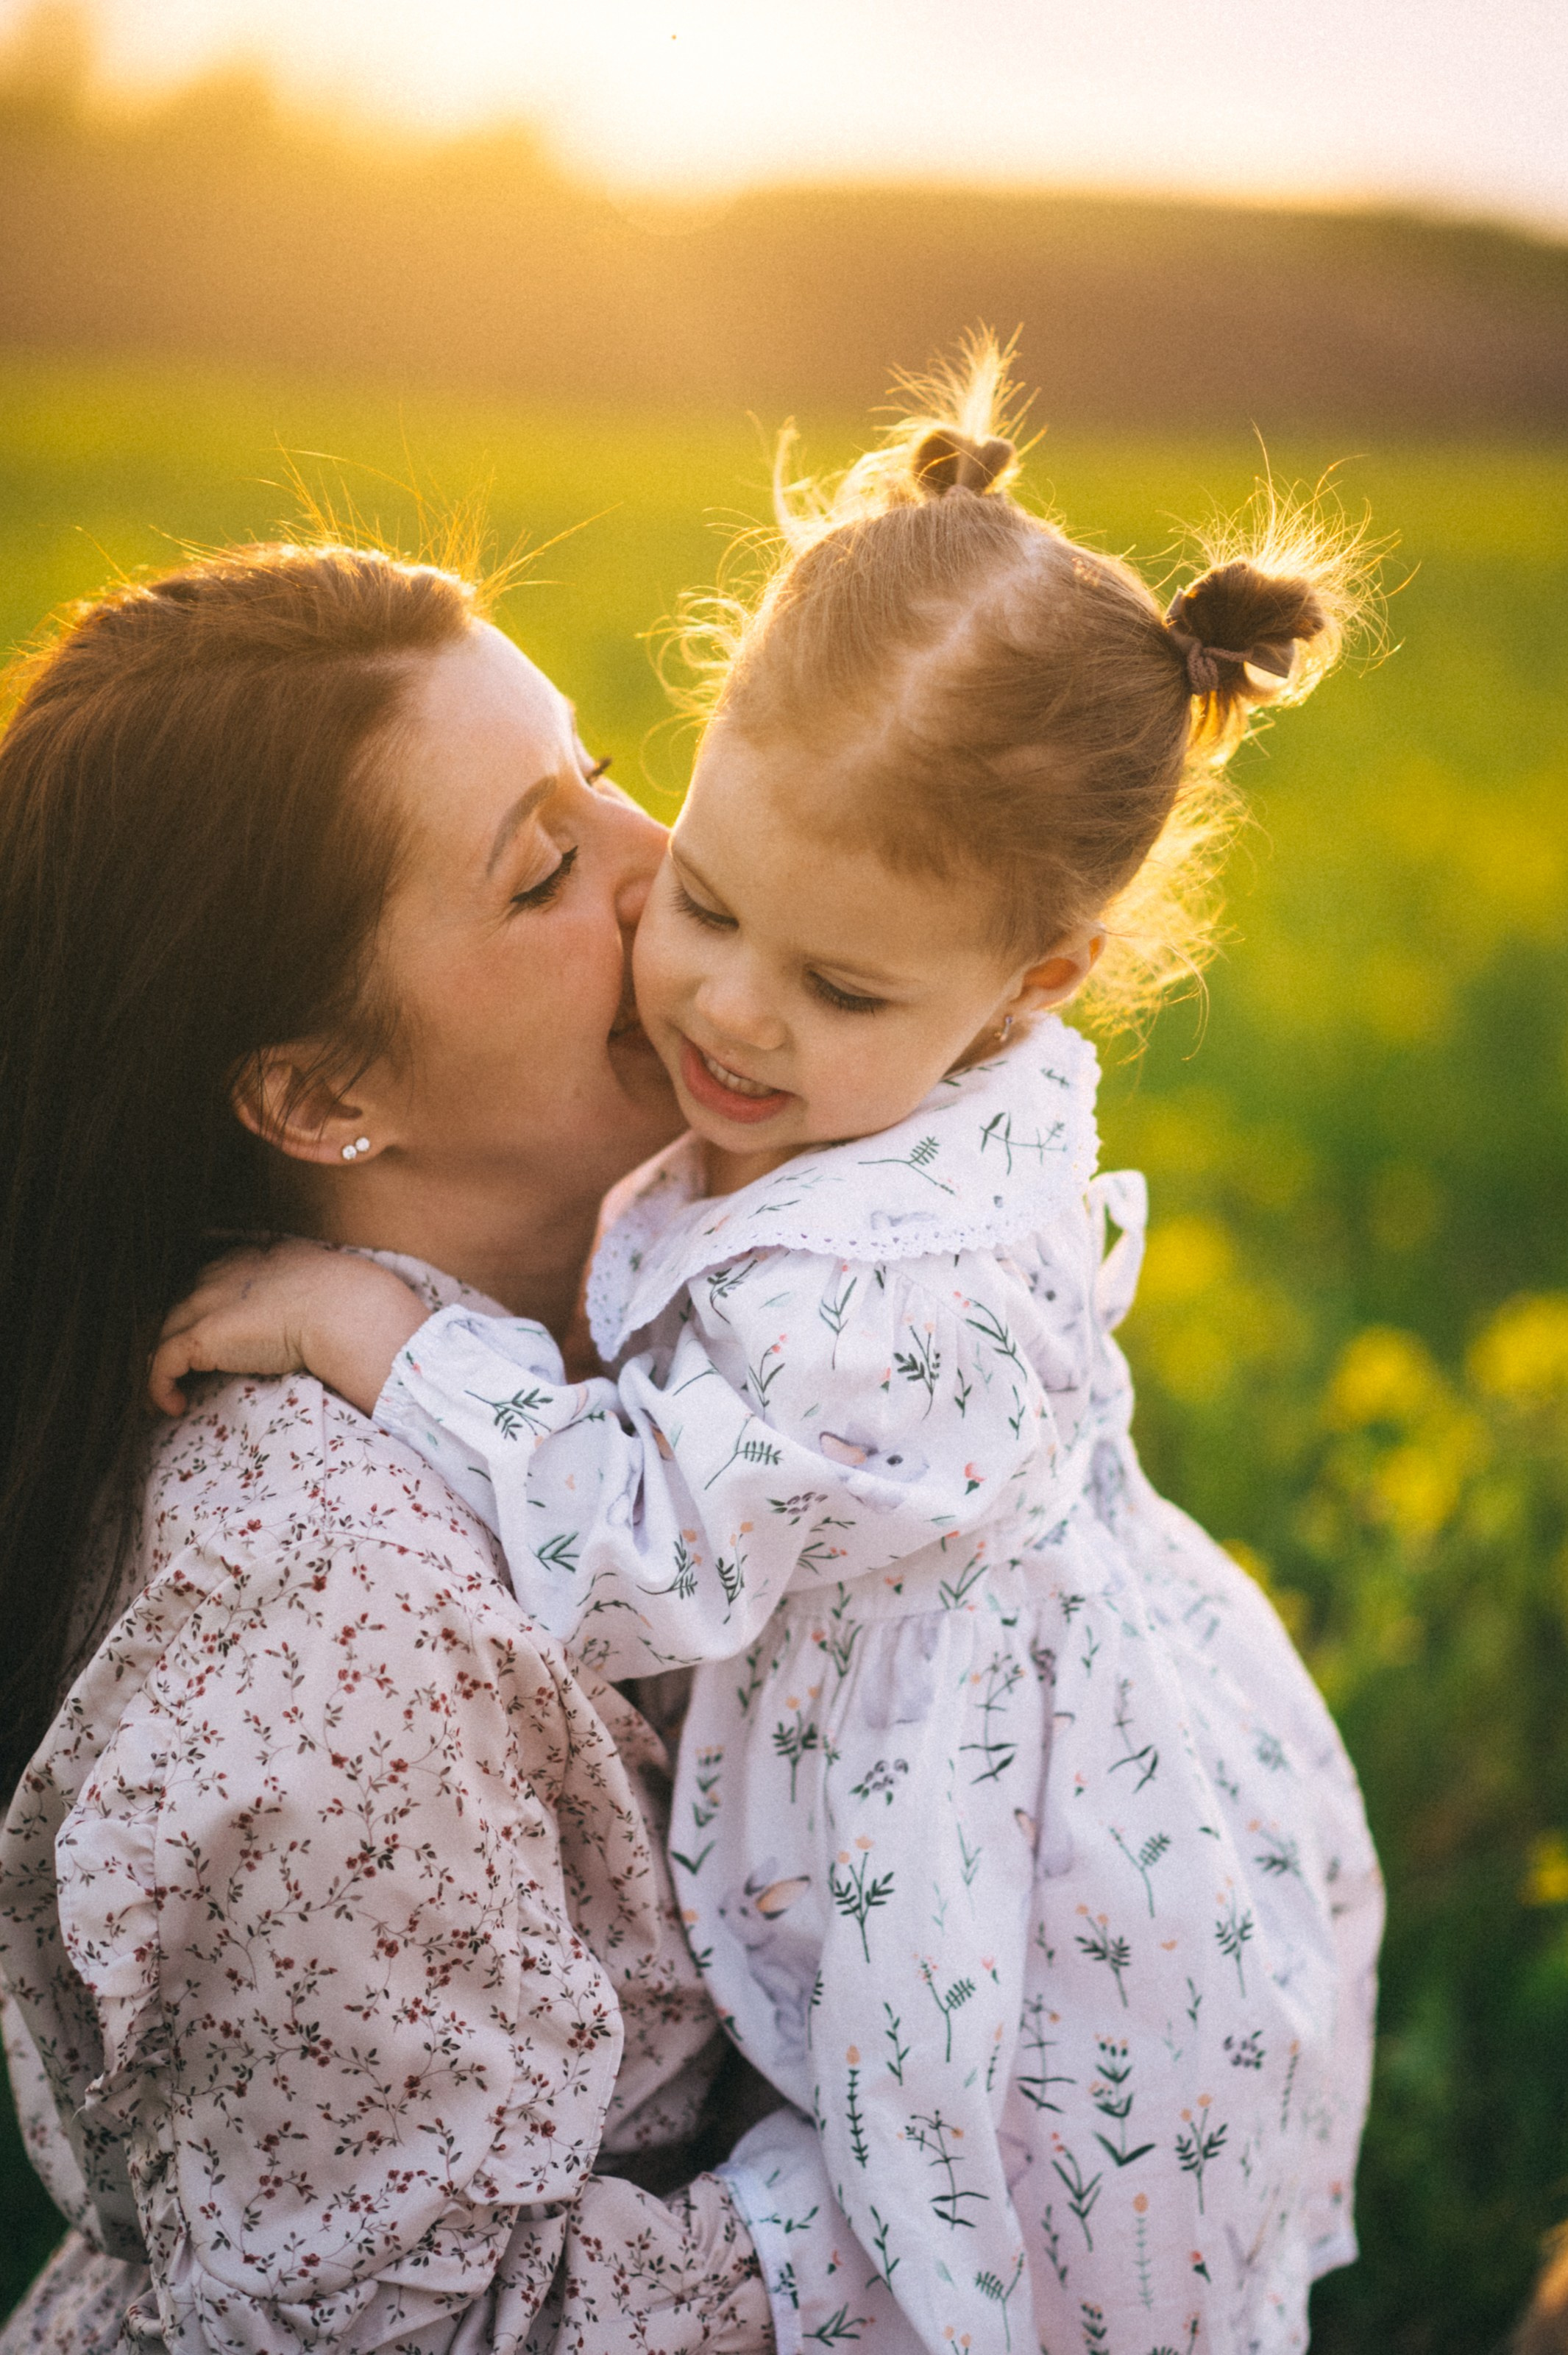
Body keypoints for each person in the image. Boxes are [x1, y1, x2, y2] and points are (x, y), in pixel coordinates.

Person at [152, 344, 1385, 2354]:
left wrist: (367, 1328)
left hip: (1022, 1895)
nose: (722, 1010)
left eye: (834, 982)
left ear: (1035, 979)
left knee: (993, 2247)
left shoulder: (899, 1280)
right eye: (698, 894)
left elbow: (651, 1534)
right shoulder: (863, 1104)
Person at [0, 542, 777, 2355]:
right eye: (543, 868)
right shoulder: (320, 1599)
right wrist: (947, 2184)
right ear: (321, 1097)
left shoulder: (661, 1313)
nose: (671, 861)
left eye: (595, 768)